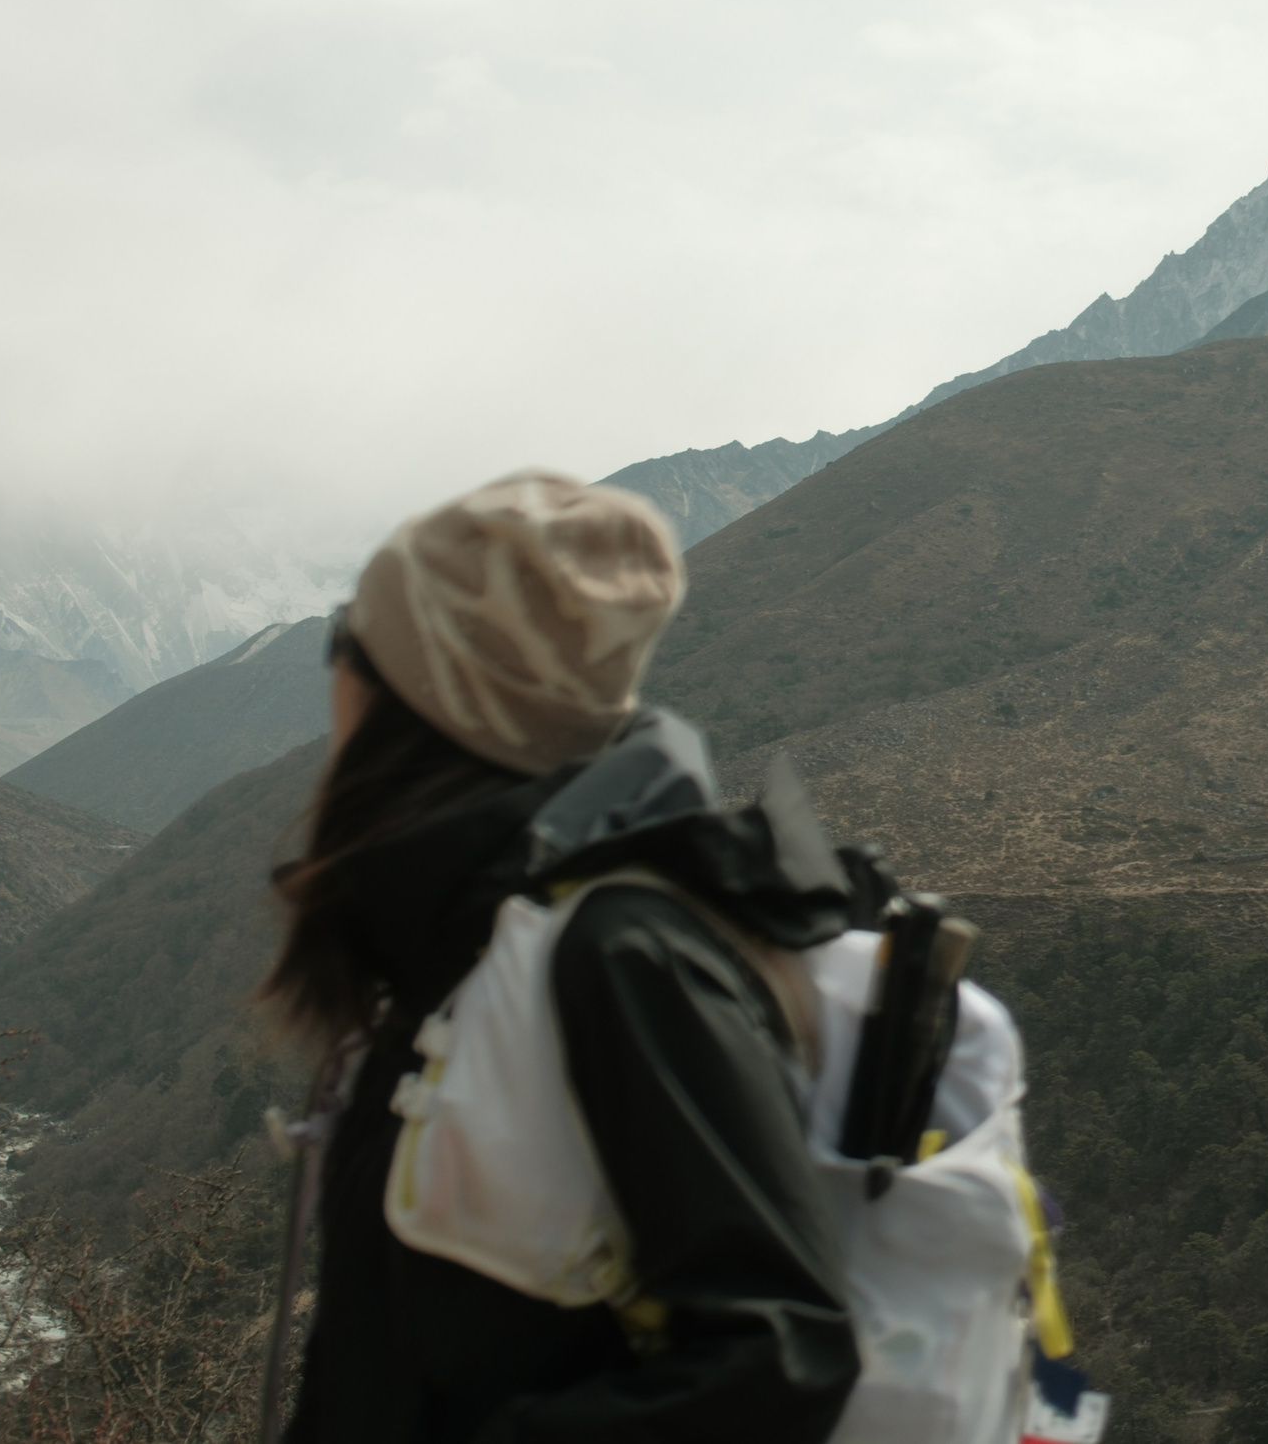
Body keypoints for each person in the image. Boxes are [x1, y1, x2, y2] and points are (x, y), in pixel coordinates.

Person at [261, 472, 861, 1443]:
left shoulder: (617, 954)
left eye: (345, 639)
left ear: (420, 698)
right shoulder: (457, 957)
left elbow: (782, 1354)